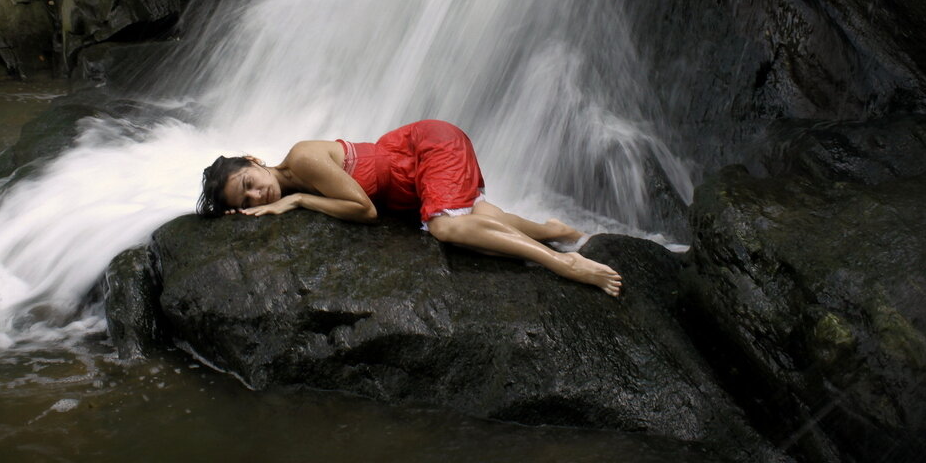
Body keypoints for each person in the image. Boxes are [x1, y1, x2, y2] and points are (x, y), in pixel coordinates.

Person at [197, 119, 622, 296]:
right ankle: (554, 230)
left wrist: (298, 200)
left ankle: (562, 264)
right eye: (245, 201)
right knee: (475, 228)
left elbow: (364, 210)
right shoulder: (289, 174)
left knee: (445, 229)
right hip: (414, 177)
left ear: (254, 160)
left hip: (427, 149)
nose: (258, 197)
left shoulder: (302, 159)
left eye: (249, 184)